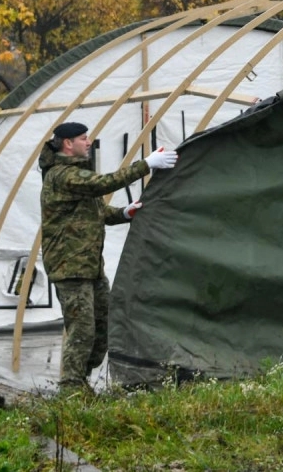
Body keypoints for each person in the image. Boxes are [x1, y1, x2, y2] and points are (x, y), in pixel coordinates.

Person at [39, 121, 178, 394]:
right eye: (83, 138)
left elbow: (95, 212)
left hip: (89, 267)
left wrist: (125, 213)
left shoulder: (75, 177)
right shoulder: (61, 176)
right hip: (70, 268)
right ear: (68, 144)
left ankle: (81, 382)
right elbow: (105, 184)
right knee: (82, 331)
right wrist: (147, 164)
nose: (88, 141)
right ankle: (71, 390)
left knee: (102, 330)